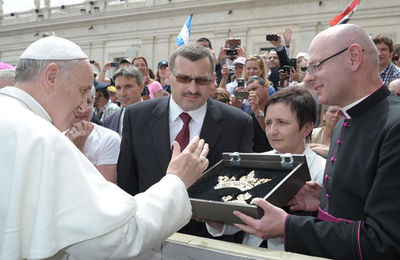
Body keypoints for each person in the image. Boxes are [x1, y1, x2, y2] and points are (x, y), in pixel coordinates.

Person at [0, 36, 210, 259]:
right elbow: (116, 238)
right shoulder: (43, 139)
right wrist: (176, 181)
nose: (83, 104)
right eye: (82, 90)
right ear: (51, 77)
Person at [232, 24, 400, 259]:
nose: (308, 77)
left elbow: (385, 241)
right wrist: (324, 199)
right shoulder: (343, 123)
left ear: (353, 57)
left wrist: (288, 226)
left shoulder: (395, 127)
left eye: (316, 66)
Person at [117, 43, 254, 241]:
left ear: (213, 80)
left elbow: (243, 195)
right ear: (168, 77)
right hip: (149, 242)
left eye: (201, 80)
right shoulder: (136, 117)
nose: (192, 88)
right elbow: (127, 185)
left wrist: (218, 223)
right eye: (184, 79)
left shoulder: (238, 123)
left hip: (210, 246)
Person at [206, 86, 326, 250]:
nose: (272, 131)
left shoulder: (323, 170)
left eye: (282, 123)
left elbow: (326, 231)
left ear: (306, 127)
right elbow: (241, 218)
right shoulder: (256, 163)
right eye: (268, 122)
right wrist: (213, 218)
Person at [66, 86, 121, 183]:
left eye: (88, 102)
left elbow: (104, 187)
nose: (83, 109)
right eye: (76, 102)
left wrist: (78, 148)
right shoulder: (50, 132)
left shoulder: (109, 139)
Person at [103, 66, 144, 136]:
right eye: (118, 88)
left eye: (128, 87)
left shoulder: (157, 118)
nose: (123, 93)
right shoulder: (108, 121)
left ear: (141, 87)